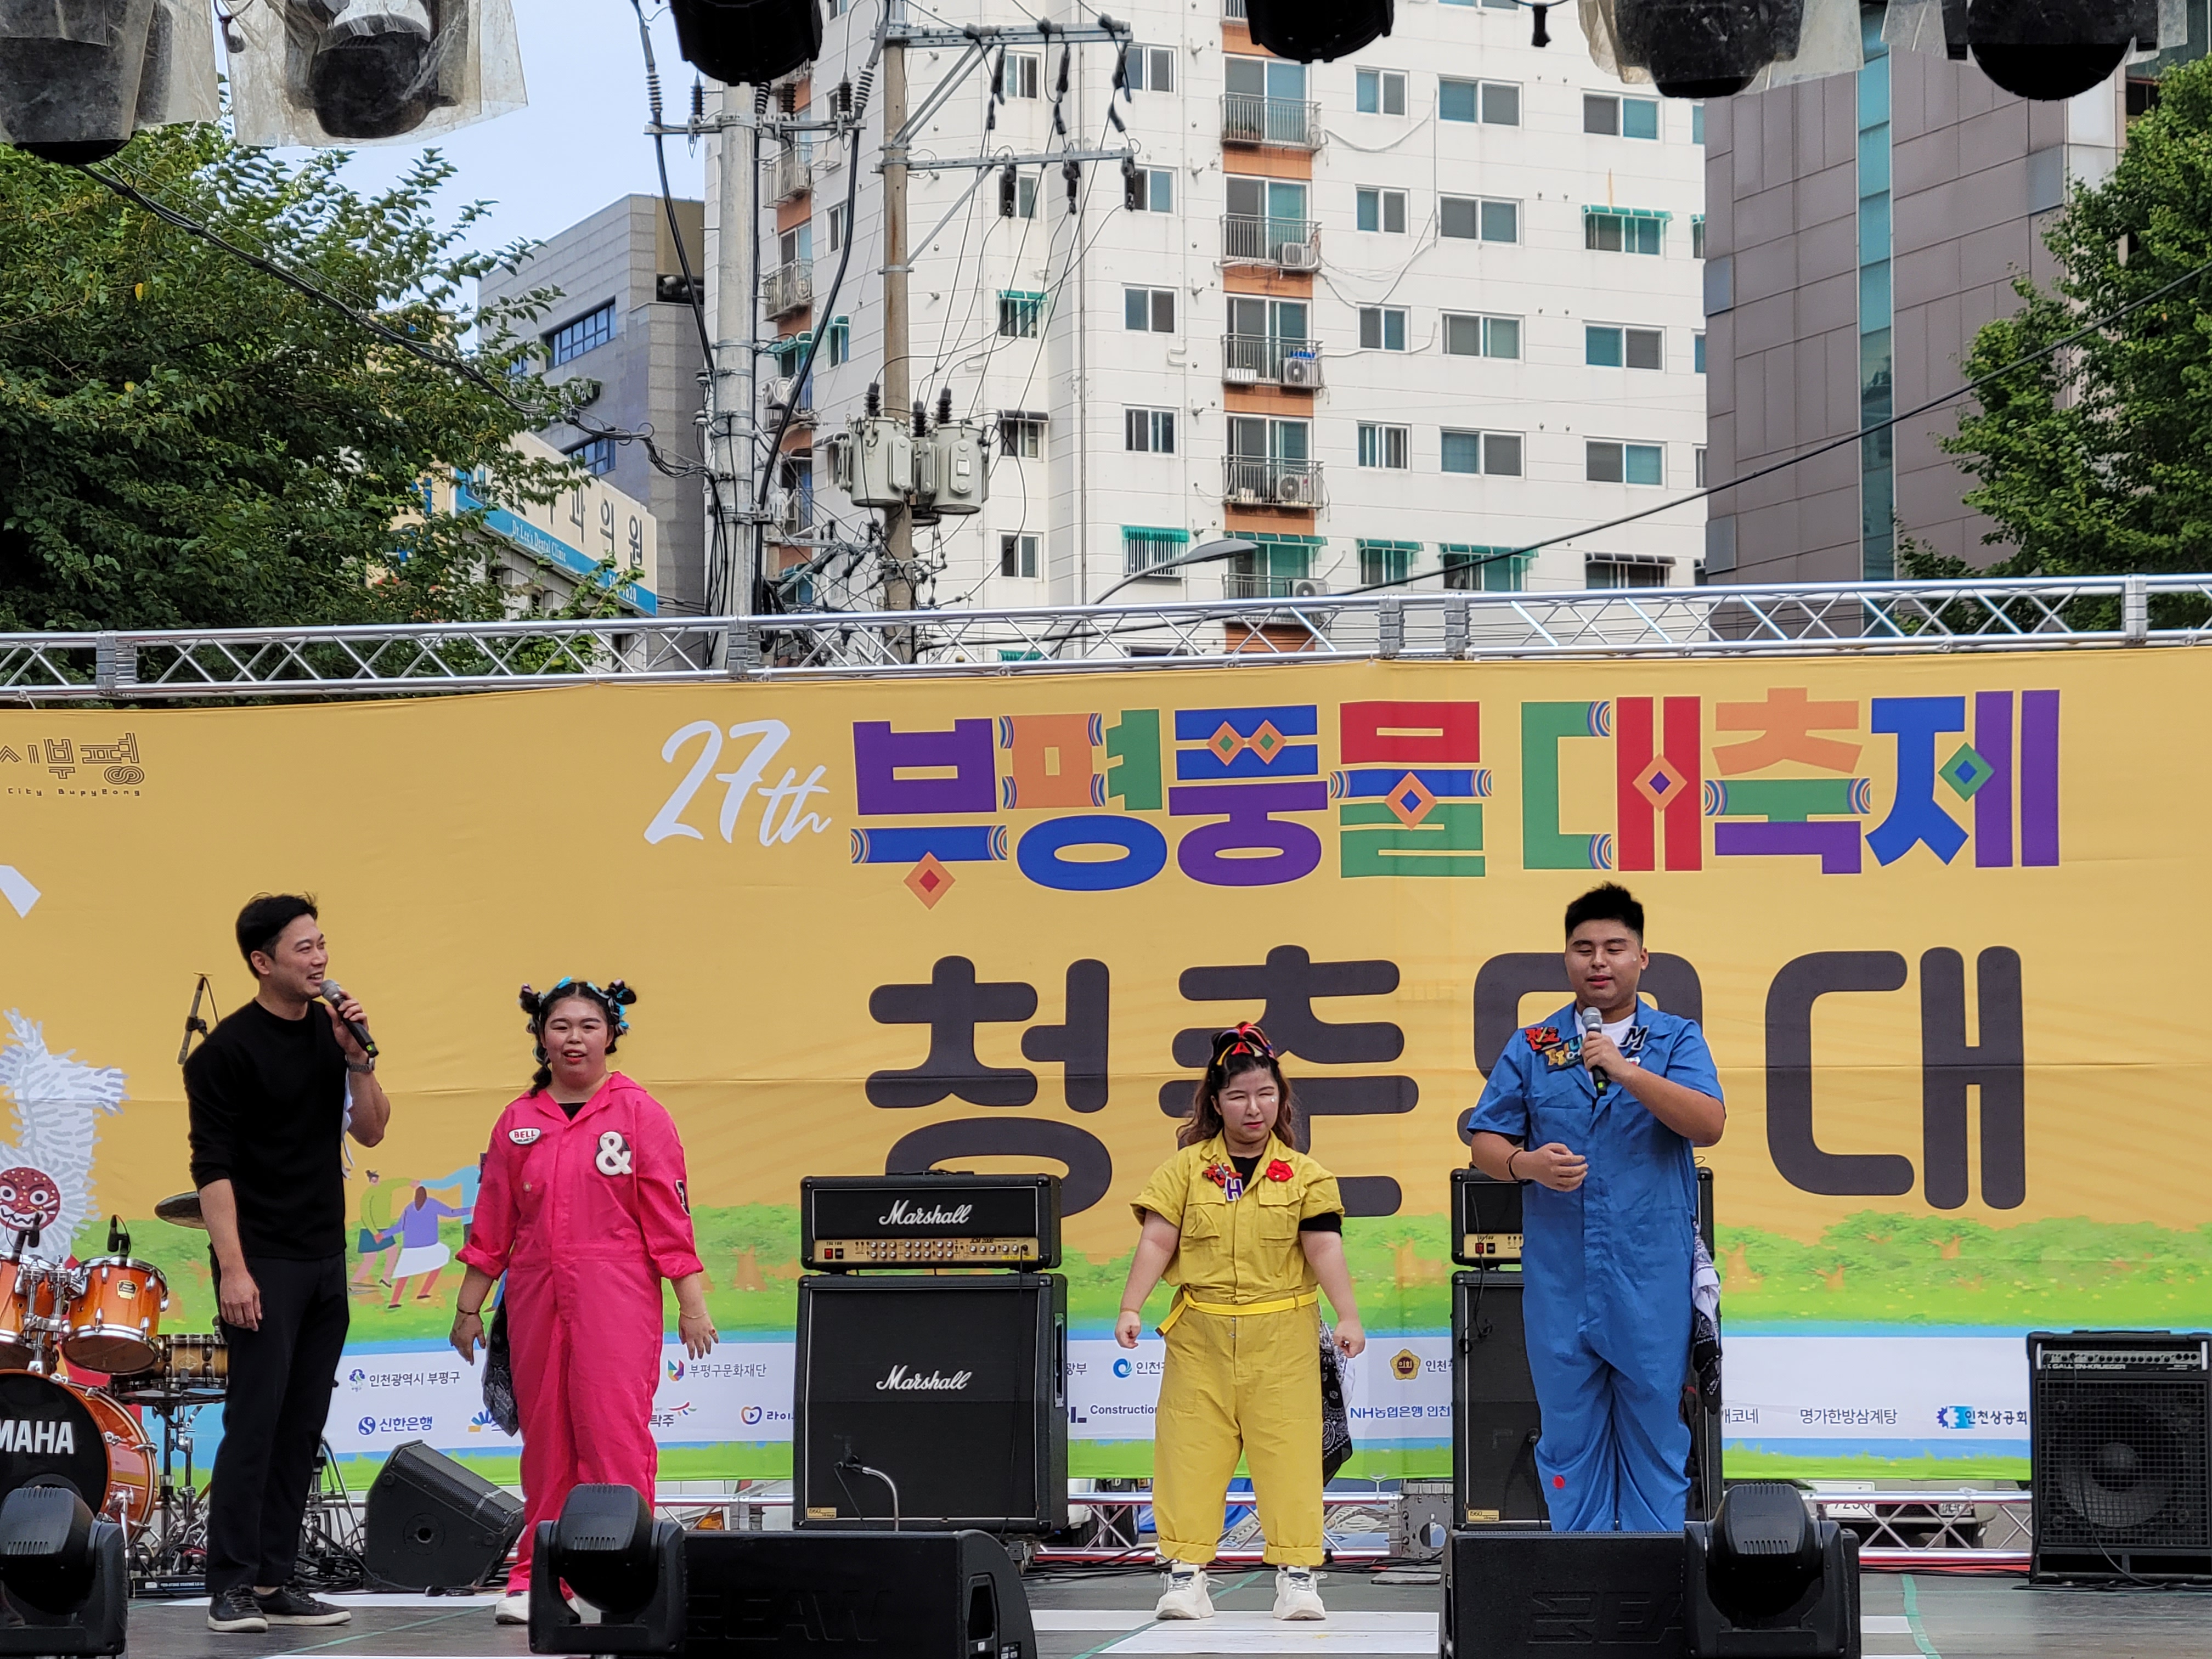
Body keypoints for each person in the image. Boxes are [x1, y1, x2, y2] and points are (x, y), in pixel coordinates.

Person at [450, 980, 716, 1625]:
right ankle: (539, 1579)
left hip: (616, 1291)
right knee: (546, 1440)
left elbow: (668, 1217)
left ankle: (630, 1578)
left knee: (613, 1433)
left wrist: (692, 1305)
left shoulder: (640, 1114)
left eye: (589, 1026)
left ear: (611, 1035)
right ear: (541, 1037)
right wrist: (468, 1307)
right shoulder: (518, 1120)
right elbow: (494, 1221)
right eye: (561, 1026)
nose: (574, 1039)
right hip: (536, 1292)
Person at [1464, 883, 1725, 1533]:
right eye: (1584, 949)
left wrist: (1626, 1070)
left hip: (1650, 1275)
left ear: (1642, 958)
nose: (1598, 962)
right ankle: (1580, 1572)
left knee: (1656, 1432)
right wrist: (1526, 1165)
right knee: (1567, 1437)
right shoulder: (1534, 1044)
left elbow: (1708, 1122)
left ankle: (1652, 1573)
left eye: (1614, 947)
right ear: (1567, 958)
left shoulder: (1676, 1039)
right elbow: (1485, 1141)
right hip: (1562, 1279)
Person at [185, 894, 390, 1634]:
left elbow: (372, 1132)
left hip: (324, 1256)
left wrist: (358, 1060)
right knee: (255, 1424)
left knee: (303, 1426)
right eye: (304, 948)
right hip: (263, 1259)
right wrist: (234, 1270)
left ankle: (276, 1579)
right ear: (261, 962)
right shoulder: (225, 1053)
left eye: (322, 944)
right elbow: (212, 1170)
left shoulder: (332, 1034)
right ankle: (230, 1586)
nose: (321, 959)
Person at [1116, 1023, 1364, 1623]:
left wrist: (1348, 1314)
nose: (1254, 1108)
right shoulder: (1183, 1170)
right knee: (1189, 1452)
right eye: (1239, 1097)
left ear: (1281, 1099)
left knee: (1290, 1455)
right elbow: (1157, 1240)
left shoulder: (1306, 1175)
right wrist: (1131, 1305)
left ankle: (1298, 1576)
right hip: (1200, 1333)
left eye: (1265, 1094)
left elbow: (1324, 1248)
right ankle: (1186, 1573)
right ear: (1215, 1102)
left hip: (1283, 1333)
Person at [385, 1183, 460, 1308]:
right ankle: (423, 1291)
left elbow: (400, 1227)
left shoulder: (410, 1207)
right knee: (440, 1260)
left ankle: (395, 1301)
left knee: (404, 1275)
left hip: (412, 1248)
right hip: (429, 1246)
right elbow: (451, 1212)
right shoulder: (431, 1203)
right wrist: (470, 1210)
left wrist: (383, 1235)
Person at [350, 1170, 399, 1289]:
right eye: (373, 1180)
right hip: (370, 1231)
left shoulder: (386, 1187)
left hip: (383, 1229)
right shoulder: (368, 1194)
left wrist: (411, 1182)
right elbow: (365, 1216)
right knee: (371, 1259)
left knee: (392, 1251)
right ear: (370, 1181)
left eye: (376, 1179)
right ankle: (354, 1283)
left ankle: (385, 1278)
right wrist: (375, 1233)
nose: (375, 1181)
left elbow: (397, 1182)